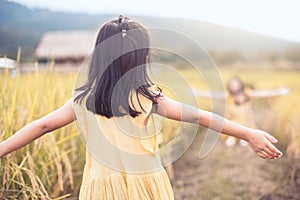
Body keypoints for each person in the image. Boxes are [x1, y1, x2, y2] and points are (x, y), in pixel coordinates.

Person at [0, 16, 282, 200]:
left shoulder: (82, 99)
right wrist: (248, 133)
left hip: (100, 190)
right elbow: (198, 115)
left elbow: (41, 126)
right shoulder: (148, 97)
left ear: (98, 55)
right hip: (145, 187)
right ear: (143, 57)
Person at [194, 76, 289, 146]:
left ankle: (244, 138)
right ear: (229, 86)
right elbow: (211, 95)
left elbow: (262, 94)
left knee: (246, 130)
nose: (234, 86)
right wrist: (197, 93)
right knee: (231, 131)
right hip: (233, 120)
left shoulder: (247, 93)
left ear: (240, 85)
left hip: (246, 122)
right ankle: (233, 137)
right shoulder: (228, 95)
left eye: (236, 84)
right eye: (232, 85)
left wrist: (279, 92)